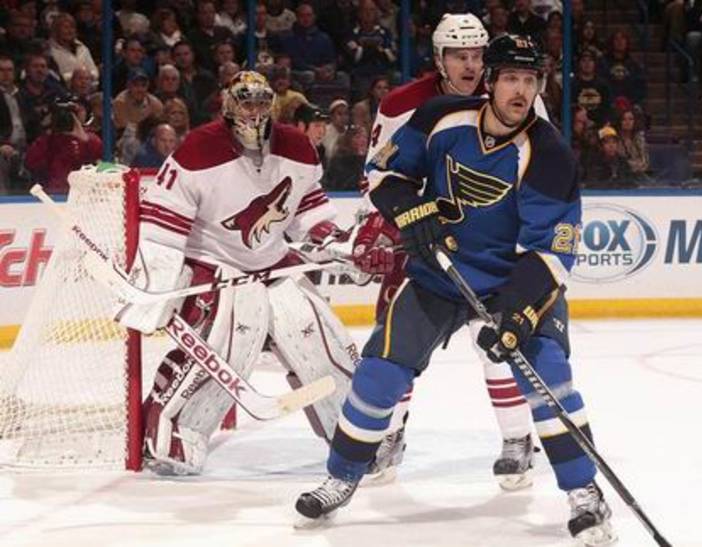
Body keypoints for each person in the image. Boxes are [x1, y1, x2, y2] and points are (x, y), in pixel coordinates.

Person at [296, 35, 615, 546]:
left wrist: (516, 314)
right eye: (511, 79)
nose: (521, 91)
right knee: (379, 372)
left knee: (549, 380)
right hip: (439, 276)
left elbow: (550, 252)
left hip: (513, 284)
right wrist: (411, 210)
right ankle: (341, 476)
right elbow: (384, 173)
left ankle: (584, 490)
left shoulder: (550, 155)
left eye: (530, 81)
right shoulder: (442, 118)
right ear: (490, 81)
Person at [116, 71, 359, 476]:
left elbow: (308, 209)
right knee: (232, 338)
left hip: (273, 260)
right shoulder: (197, 149)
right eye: (247, 103)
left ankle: (356, 434)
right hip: (212, 262)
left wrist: (334, 240)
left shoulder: (297, 146)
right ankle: (173, 433)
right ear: (229, 106)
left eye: (262, 103)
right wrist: (154, 283)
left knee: (319, 335)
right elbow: (162, 225)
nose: (255, 112)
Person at [350, 14, 548, 491]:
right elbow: (377, 174)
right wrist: (377, 225)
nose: (471, 65)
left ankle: (518, 440)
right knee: (396, 343)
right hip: (422, 236)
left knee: (497, 340)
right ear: (439, 59)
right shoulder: (403, 105)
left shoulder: (518, 96)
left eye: (478, 55)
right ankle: (388, 435)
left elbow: (543, 169)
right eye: (460, 56)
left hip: (492, 240)